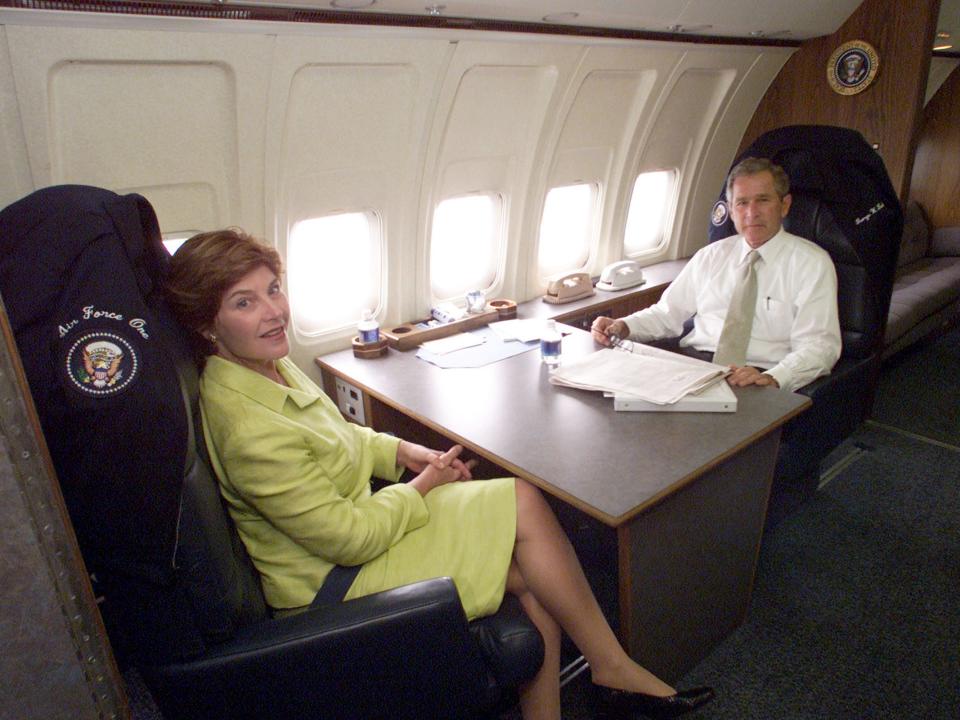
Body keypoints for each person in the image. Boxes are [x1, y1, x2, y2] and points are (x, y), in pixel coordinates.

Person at [164, 229, 714, 720]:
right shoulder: (244, 425)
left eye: (273, 290)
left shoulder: (270, 364)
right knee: (523, 520)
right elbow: (349, 539)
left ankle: (603, 674)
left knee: (530, 568)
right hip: (330, 579)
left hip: (354, 532)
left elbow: (341, 436)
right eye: (245, 302)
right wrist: (423, 487)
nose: (273, 312)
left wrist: (403, 452)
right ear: (206, 324)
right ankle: (613, 668)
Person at [592, 157, 841, 392]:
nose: (751, 213)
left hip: (759, 375)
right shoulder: (710, 257)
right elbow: (667, 314)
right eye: (742, 203)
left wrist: (774, 378)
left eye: (763, 200)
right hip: (695, 368)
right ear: (731, 211)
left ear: (784, 205)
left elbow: (819, 346)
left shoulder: (812, 264)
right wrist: (624, 326)